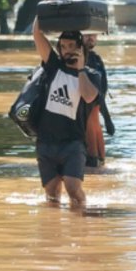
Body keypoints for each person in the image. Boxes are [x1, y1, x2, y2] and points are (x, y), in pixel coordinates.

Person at [32, 16, 102, 208]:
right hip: (46, 142)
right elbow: (37, 34)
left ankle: (81, 226)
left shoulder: (92, 75)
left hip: (73, 143)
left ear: (81, 47)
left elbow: (88, 97)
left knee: (73, 190)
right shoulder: (53, 66)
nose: (67, 50)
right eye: (63, 46)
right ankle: (56, 234)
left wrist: (80, 70)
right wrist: (44, 10)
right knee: (52, 195)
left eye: (72, 46)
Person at [83, 33, 115, 167]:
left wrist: (107, 119)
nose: (91, 37)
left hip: (94, 119)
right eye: (86, 35)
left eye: (94, 35)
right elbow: (96, 95)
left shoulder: (96, 59)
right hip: (84, 121)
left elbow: (101, 93)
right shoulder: (79, 61)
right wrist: (107, 120)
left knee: (97, 167)